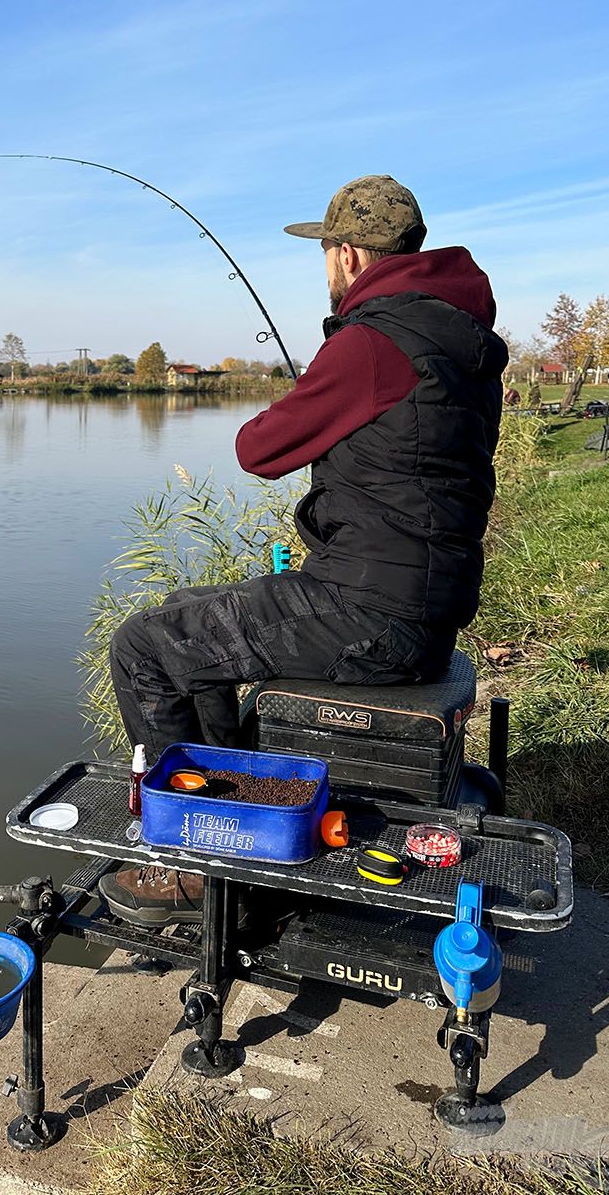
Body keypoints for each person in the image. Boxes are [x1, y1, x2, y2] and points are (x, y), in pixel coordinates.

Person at [98, 174, 509, 927]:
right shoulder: (457, 342)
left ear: (348, 255)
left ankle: (196, 868)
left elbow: (260, 450)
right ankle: (235, 821)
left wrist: (311, 390)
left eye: (324, 253)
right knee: (187, 617)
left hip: (369, 609)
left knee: (143, 647)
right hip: (422, 603)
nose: (325, 268)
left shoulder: (375, 342)